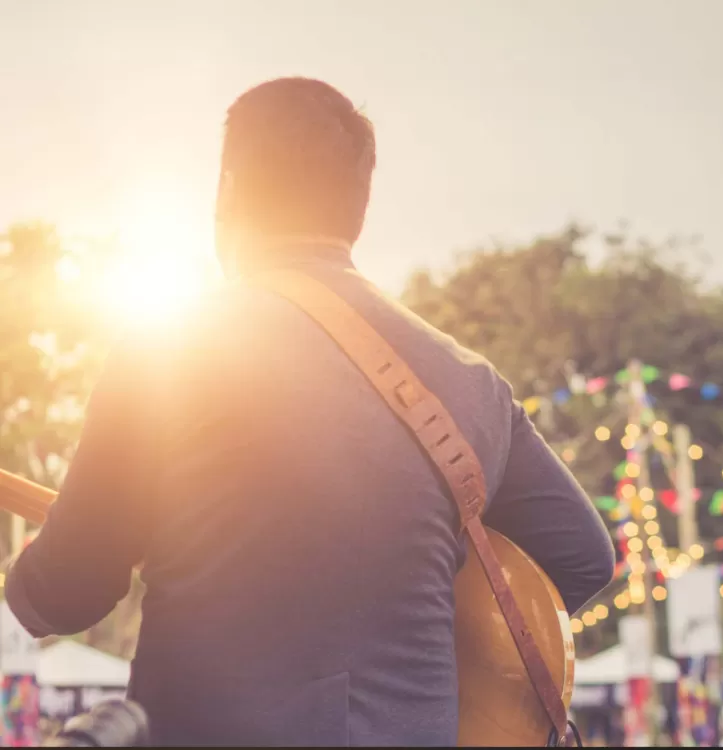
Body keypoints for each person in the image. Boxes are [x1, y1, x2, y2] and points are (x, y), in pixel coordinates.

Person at [5, 77, 614, 746]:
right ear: (357, 208)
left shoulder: (170, 345)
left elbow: (70, 589)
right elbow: (582, 558)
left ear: (228, 191)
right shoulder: (471, 383)